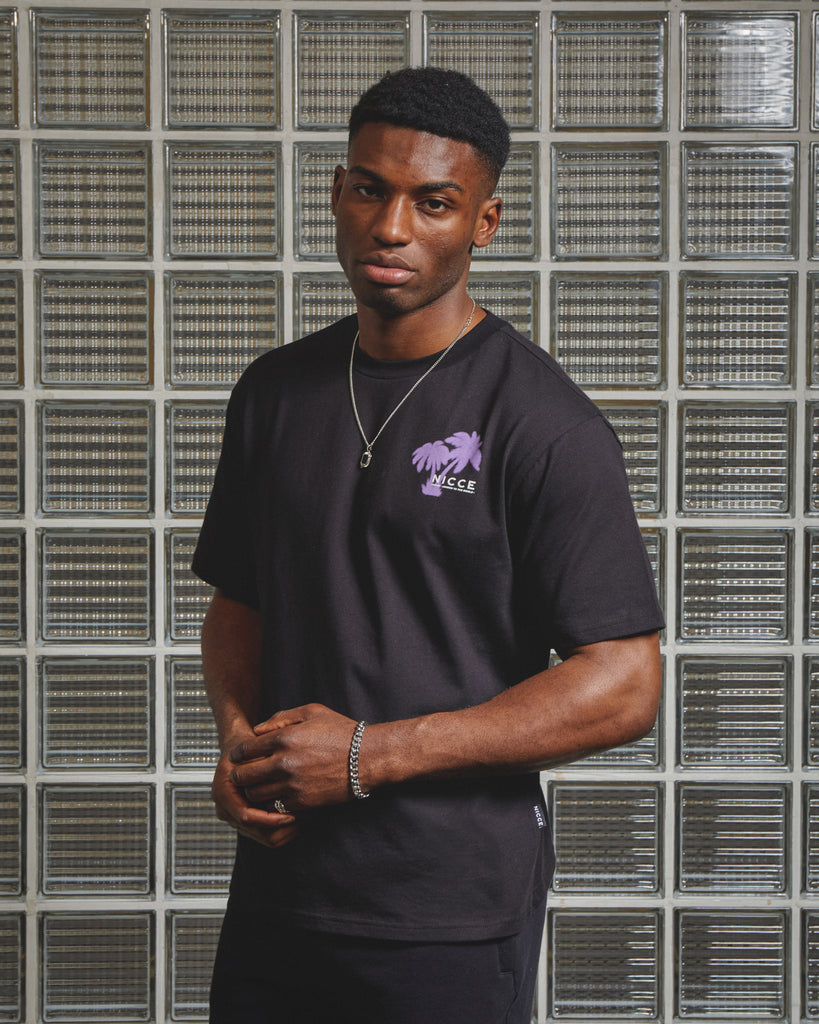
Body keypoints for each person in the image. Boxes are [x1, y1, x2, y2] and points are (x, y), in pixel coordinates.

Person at [193, 66, 664, 1024]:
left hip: (448, 910)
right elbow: (240, 601)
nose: (391, 227)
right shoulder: (274, 393)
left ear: (483, 223)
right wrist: (239, 742)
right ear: (337, 192)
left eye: (433, 203)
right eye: (370, 189)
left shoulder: (546, 424)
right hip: (281, 891)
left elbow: (623, 685)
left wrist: (368, 754)